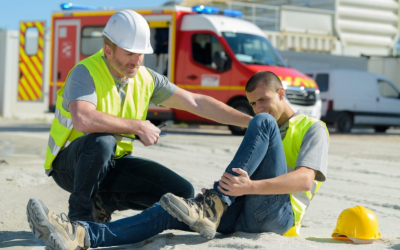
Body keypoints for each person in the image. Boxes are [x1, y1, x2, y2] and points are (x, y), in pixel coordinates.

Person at [27, 71, 329, 250]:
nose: (258, 107)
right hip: (243, 211)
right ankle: (83, 234)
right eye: (252, 103)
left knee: (260, 123)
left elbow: (304, 179)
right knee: (172, 207)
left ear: (282, 93)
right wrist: (238, 191)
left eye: (264, 100)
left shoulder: (312, 128)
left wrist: (248, 187)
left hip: (279, 217)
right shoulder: (265, 127)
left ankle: (215, 202)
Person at [39, 9, 252, 226]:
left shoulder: (146, 78)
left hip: (111, 162)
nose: (136, 61)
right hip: (70, 167)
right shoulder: (85, 72)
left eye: (141, 53)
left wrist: (249, 122)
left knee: (181, 192)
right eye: (129, 53)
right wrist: (138, 126)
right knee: (102, 142)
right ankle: (79, 220)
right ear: (108, 50)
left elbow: (196, 102)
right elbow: (83, 119)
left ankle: (103, 204)